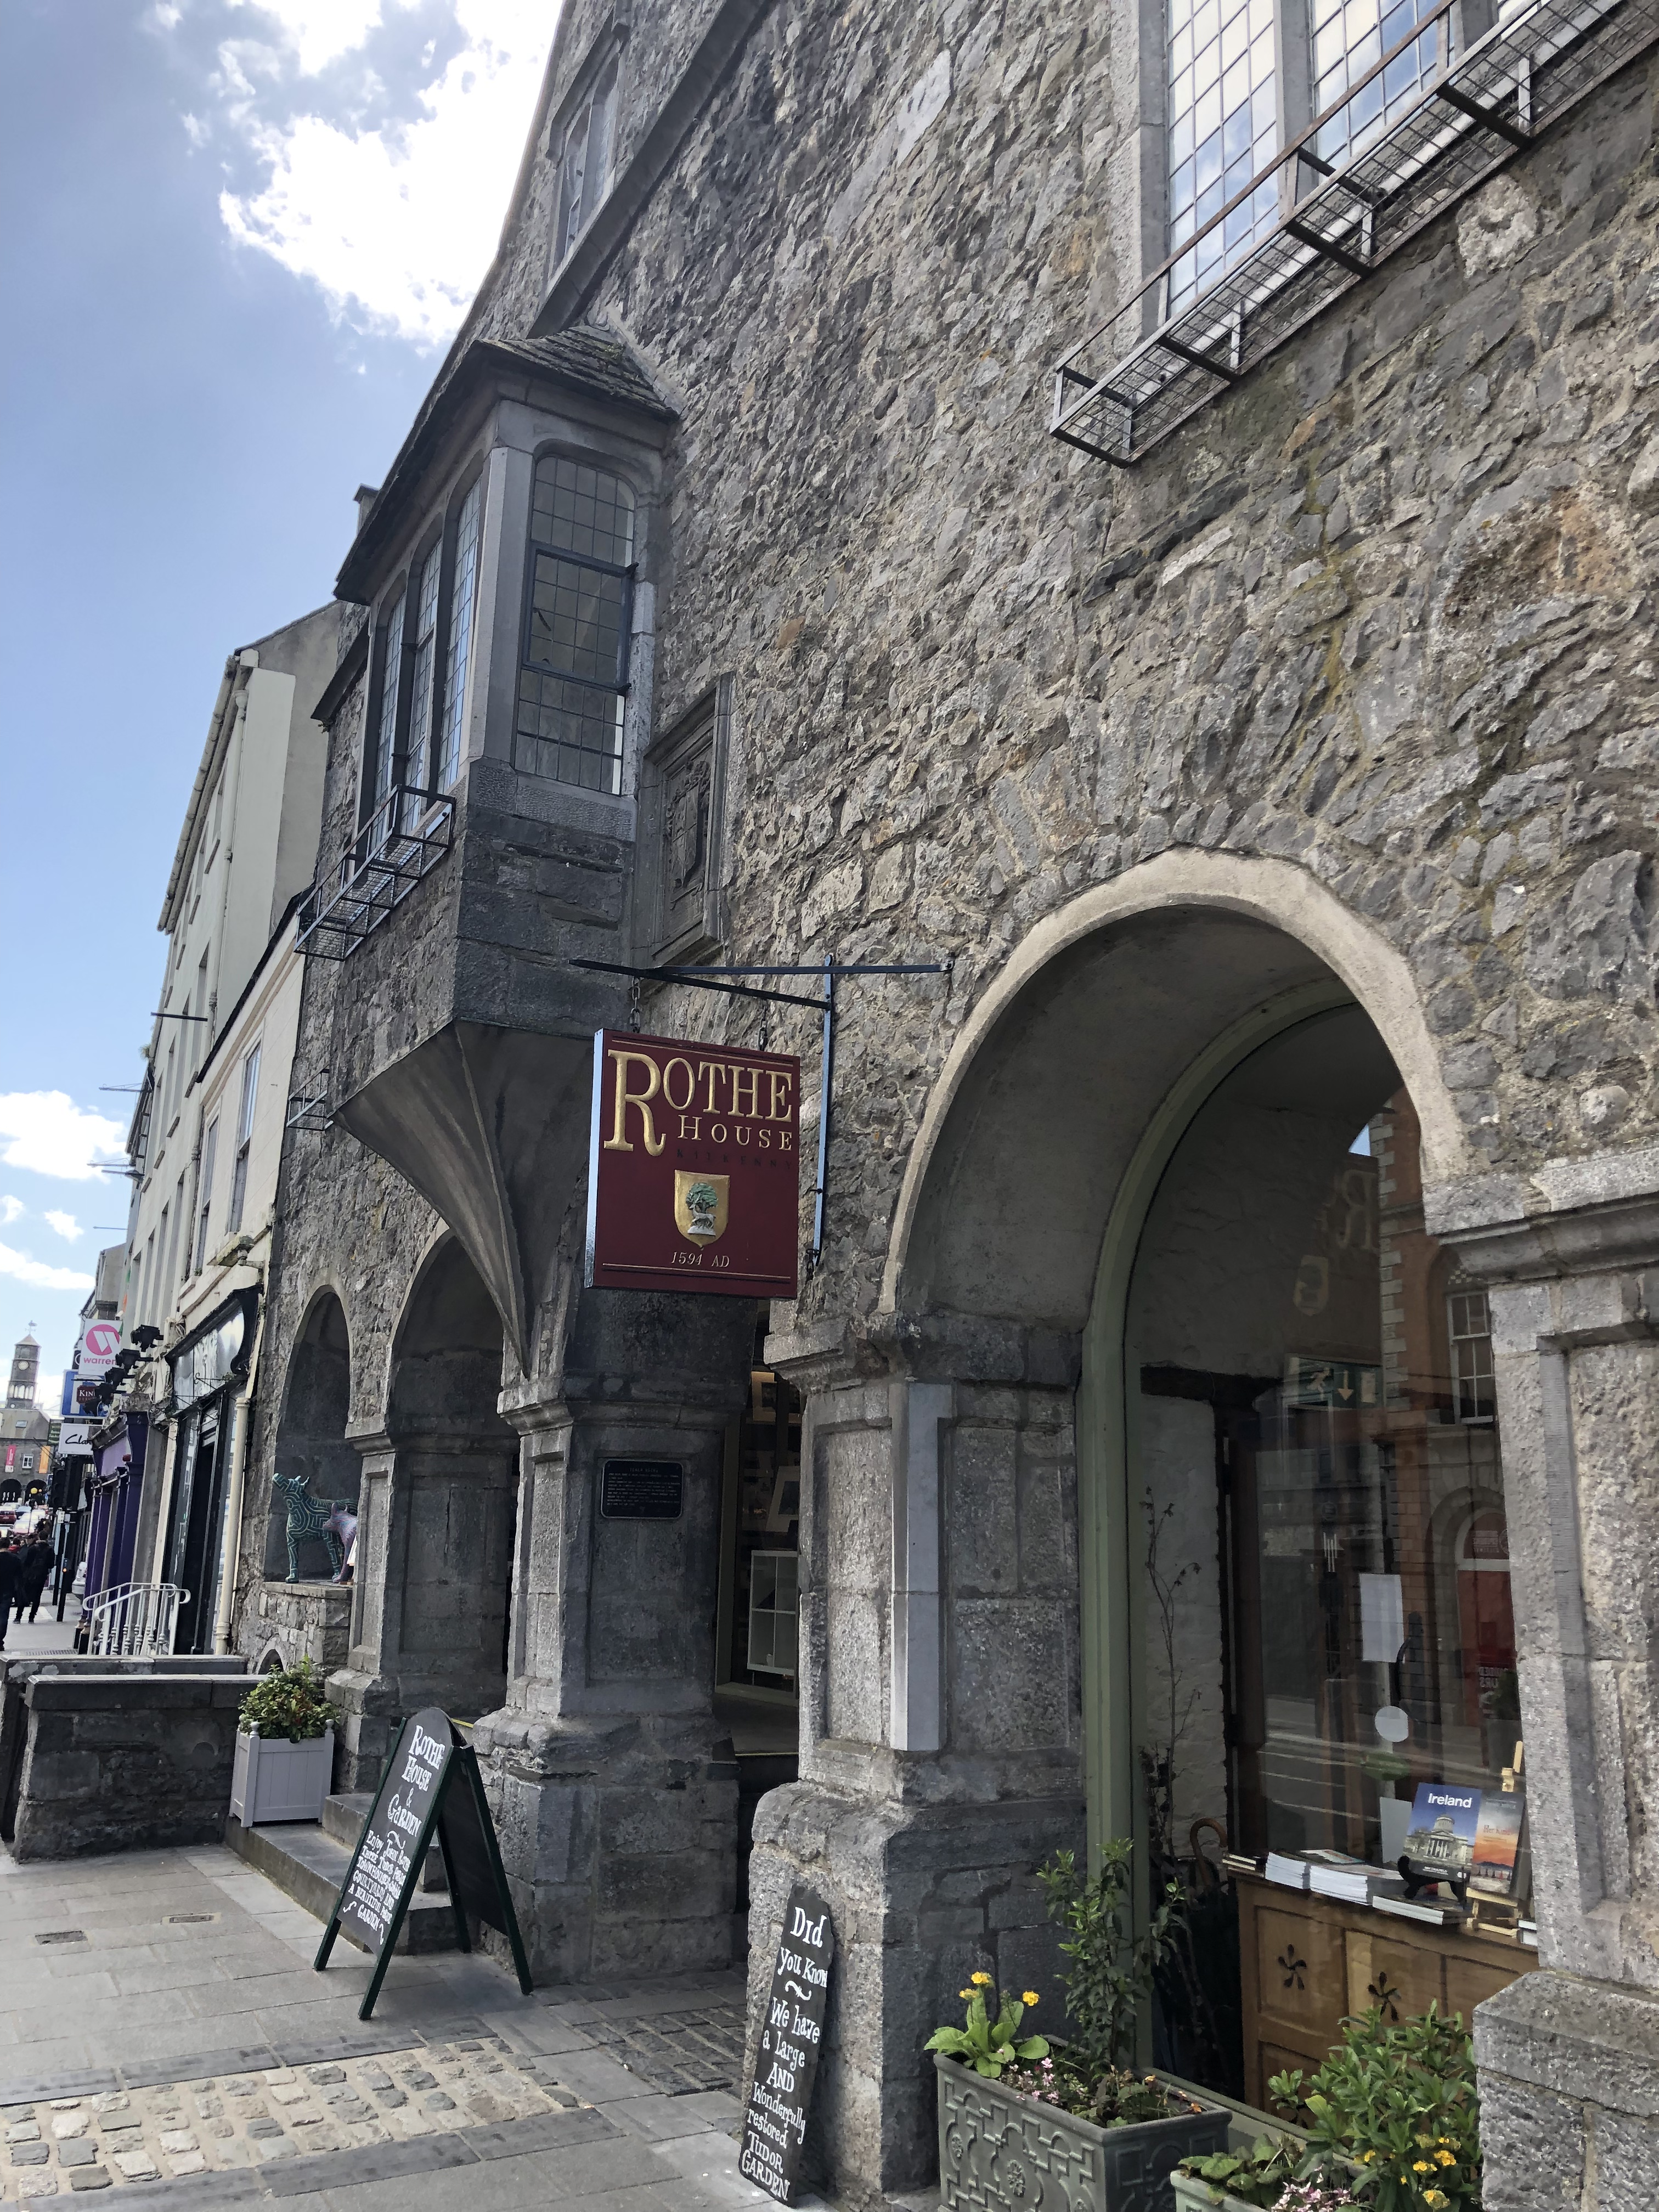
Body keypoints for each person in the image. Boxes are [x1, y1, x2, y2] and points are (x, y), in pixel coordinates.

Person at [15, 1538, 53, 1626]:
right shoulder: (50, 1550)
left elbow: (27, 1562)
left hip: (29, 1576)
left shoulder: (33, 1548)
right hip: (42, 1576)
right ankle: (31, 1617)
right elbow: (51, 1565)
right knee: (37, 1596)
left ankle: (18, 1617)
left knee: (24, 1595)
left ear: (39, 1537)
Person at [0, 1541, 22, 1652]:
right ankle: (0, 1642)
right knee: (3, 1617)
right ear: (8, 1546)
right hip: (7, 1590)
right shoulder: (15, 1559)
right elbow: (19, 1576)